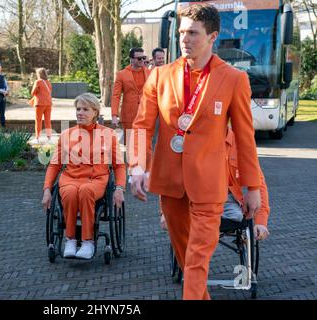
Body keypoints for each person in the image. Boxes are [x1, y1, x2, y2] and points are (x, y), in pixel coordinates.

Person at [129, 4, 262, 300]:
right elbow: (141, 126)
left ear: (212, 36)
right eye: (181, 32)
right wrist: (137, 168)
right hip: (169, 185)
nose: (184, 39)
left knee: (197, 259)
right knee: (187, 259)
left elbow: (244, 138)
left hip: (209, 186)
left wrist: (252, 186)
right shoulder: (159, 76)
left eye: (192, 33)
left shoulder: (234, 79)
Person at [42, 93, 126, 259]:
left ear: (95, 112)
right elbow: (54, 164)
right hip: (70, 178)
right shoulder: (67, 134)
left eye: (85, 109)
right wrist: (46, 190)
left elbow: (119, 165)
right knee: (72, 192)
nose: (80, 112)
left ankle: (88, 242)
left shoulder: (108, 134)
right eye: (78, 109)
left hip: (96, 180)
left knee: (86, 190)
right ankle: (71, 239)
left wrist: (119, 188)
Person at [160, 128, 270, 241]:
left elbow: (258, 183)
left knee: (237, 216)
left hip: (226, 200)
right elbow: (170, 176)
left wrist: (261, 222)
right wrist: (166, 213)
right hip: (193, 198)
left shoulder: (240, 143)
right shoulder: (185, 140)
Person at [111, 47, 150, 142]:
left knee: (143, 144)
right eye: (139, 58)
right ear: (131, 59)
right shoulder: (121, 74)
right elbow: (116, 96)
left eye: (143, 58)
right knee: (130, 145)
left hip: (146, 115)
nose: (142, 60)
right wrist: (114, 115)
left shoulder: (150, 73)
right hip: (129, 115)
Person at [31, 68, 52, 143]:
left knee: (38, 120)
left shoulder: (38, 82)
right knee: (48, 121)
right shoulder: (48, 82)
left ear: (39, 74)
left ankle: (37, 138)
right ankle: (49, 138)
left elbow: (33, 92)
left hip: (40, 104)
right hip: (48, 103)